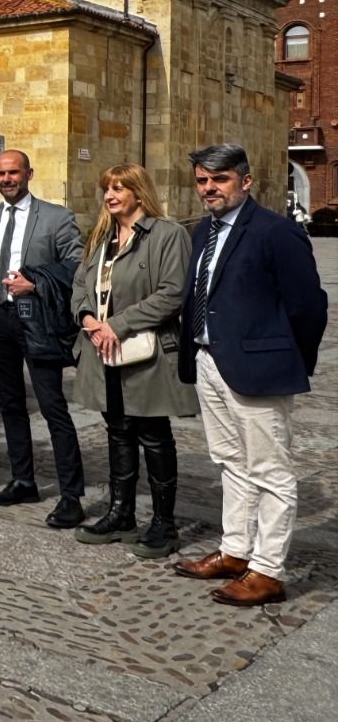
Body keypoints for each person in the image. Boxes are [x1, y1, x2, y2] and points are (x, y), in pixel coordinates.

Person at [174, 144, 328, 606]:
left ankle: (268, 570)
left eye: (218, 180)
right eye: (202, 181)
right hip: (208, 360)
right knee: (229, 462)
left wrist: (285, 359)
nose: (209, 189)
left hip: (259, 368)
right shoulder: (203, 231)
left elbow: (308, 306)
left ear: (245, 180)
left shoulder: (275, 231)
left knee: (270, 471)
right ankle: (236, 550)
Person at [69, 163, 197, 559]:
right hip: (102, 350)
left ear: (139, 193)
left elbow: (172, 293)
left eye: (118, 188)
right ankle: (121, 513)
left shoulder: (167, 234)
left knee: (153, 434)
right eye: (106, 188)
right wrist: (89, 319)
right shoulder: (100, 237)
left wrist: (118, 325)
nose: (109, 195)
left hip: (146, 353)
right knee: (118, 429)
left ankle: (164, 522)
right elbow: (78, 287)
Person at [0, 149, 86, 529]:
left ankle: (71, 496)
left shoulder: (56, 217)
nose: (7, 179)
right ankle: (23, 480)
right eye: (1, 173)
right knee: (9, 403)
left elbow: (78, 264)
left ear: (29, 174)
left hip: (36, 317)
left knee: (52, 404)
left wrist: (36, 282)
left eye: (14, 173)